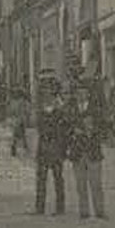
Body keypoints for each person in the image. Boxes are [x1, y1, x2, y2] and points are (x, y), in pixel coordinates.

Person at [67, 82, 107, 219]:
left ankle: (99, 211)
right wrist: (72, 131)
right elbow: (64, 127)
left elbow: (103, 127)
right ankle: (84, 212)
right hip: (77, 151)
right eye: (78, 93)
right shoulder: (70, 109)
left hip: (93, 150)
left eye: (83, 93)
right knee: (80, 184)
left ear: (88, 95)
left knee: (96, 183)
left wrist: (92, 131)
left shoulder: (96, 109)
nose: (81, 96)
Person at [34, 78, 68, 216]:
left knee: (58, 178)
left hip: (56, 147)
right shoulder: (41, 109)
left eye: (49, 91)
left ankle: (60, 207)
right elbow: (39, 127)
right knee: (41, 179)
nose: (46, 94)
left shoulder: (60, 109)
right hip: (43, 147)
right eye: (44, 91)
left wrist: (62, 148)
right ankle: (39, 207)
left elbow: (63, 130)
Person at [9, 89, 30, 157]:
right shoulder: (24, 102)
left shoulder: (14, 102)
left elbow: (12, 111)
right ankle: (22, 147)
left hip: (16, 120)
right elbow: (27, 110)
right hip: (21, 120)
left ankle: (17, 147)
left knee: (17, 134)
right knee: (21, 134)